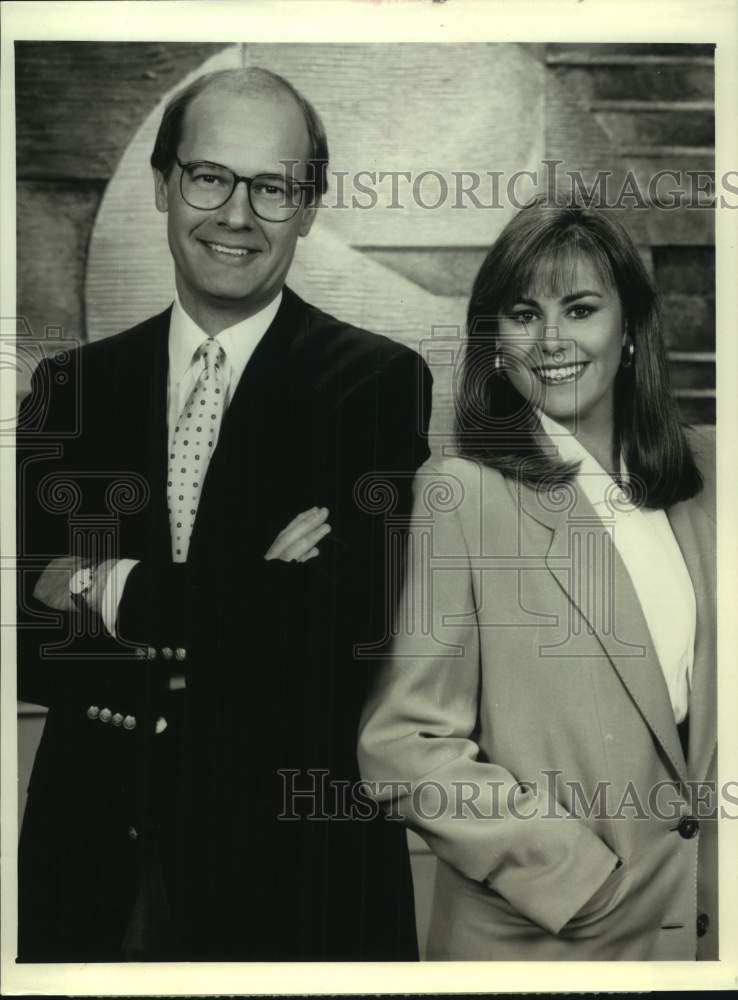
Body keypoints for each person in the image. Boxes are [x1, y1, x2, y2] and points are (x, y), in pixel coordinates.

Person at [16, 67, 432, 961]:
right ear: (164, 184)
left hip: (297, 872)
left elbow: (337, 634)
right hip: (93, 868)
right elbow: (28, 641)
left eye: (273, 187)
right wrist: (256, 587)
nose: (236, 215)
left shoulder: (374, 386)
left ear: (310, 208)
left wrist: (111, 585)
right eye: (209, 177)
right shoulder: (69, 391)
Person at [358, 197, 716, 961]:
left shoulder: (713, 471)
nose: (551, 341)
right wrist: (574, 880)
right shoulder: (462, 494)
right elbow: (405, 744)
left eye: (581, 309)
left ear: (630, 331)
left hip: (707, 930)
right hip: (554, 937)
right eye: (524, 314)